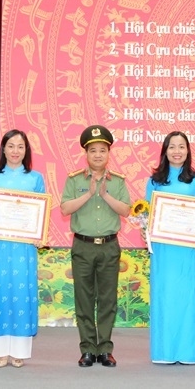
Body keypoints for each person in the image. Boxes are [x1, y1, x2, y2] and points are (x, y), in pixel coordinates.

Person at [60, 125, 131, 368]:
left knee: (108, 300)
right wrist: (89, 194)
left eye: (102, 150)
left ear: (109, 153)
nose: (98, 155)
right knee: (84, 299)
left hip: (109, 247)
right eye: (93, 151)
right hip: (83, 246)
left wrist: (106, 195)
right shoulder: (75, 179)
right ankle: (88, 349)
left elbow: (126, 210)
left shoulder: (118, 181)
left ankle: (106, 350)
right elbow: (65, 209)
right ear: (86, 154)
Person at [0, 130, 45, 368]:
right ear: (3, 149)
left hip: (24, 247)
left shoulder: (35, 178)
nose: (15, 151)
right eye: (11, 146)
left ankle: (19, 352)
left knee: (21, 294)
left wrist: (39, 235)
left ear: (26, 151)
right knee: (0, 292)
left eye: (20, 147)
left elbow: (41, 213)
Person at [144, 131, 195, 364]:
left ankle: (188, 352)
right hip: (163, 249)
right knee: (165, 297)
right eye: (172, 147)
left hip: (188, 250)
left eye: (181, 147)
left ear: (188, 150)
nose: (177, 151)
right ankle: (164, 351)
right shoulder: (155, 181)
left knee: (187, 298)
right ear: (165, 151)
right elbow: (148, 213)